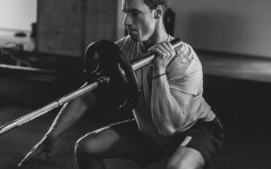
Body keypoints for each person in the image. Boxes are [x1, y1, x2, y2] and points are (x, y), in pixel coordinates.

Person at [18, 0, 224, 168]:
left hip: (193, 130)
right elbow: (87, 95)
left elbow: (169, 127)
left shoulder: (184, 59)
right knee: (86, 147)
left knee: (178, 167)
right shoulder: (123, 49)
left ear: (158, 11)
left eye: (135, 13)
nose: (127, 21)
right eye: (125, 13)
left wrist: (159, 70)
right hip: (149, 130)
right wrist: (51, 136)